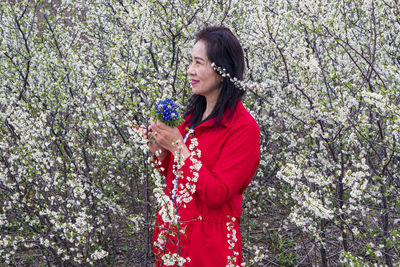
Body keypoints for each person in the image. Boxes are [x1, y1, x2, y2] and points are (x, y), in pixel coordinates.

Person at [140, 26, 260, 266]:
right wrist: (160, 151)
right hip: (173, 238)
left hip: (209, 248)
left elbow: (217, 193)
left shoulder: (243, 129)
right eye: (190, 61)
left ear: (221, 69)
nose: (190, 70)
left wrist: (178, 148)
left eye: (198, 62)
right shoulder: (193, 114)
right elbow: (176, 174)